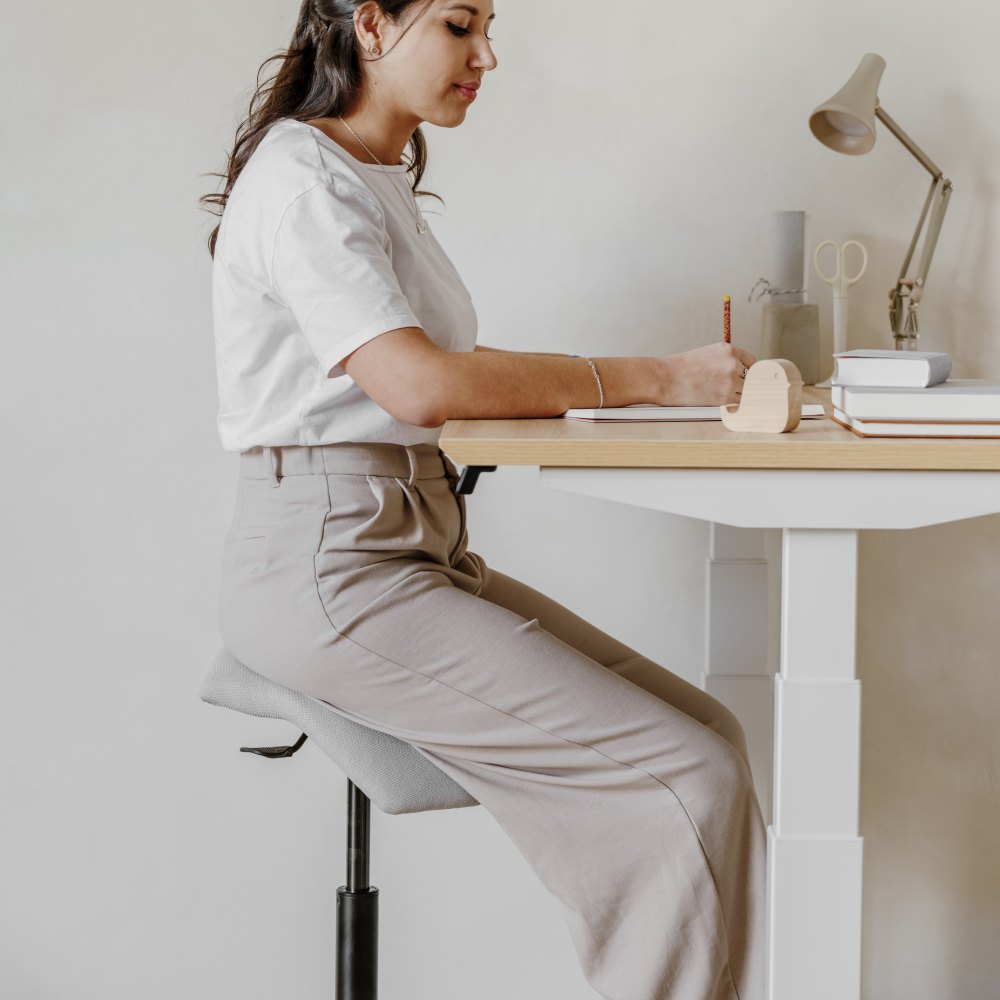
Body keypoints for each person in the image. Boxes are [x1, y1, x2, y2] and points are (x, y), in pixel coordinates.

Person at [200, 2, 764, 998]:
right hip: (330, 566)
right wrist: (655, 380)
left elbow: (447, 366)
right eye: (460, 24)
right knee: (686, 778)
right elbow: (422, 387)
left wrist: (661, 379)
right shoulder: (301, 181)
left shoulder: (365, 176)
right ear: (370, 23)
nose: (486, 55)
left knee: (709, 739)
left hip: (404, 544)